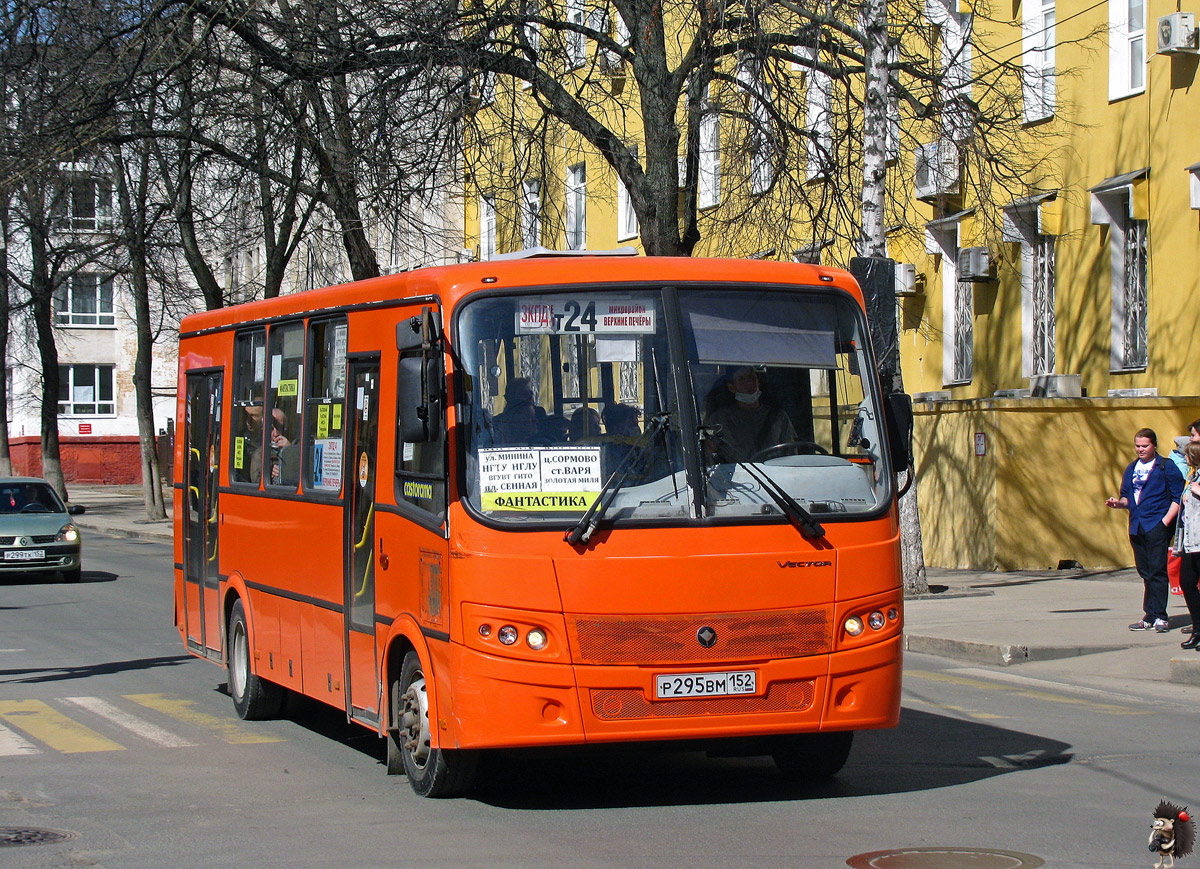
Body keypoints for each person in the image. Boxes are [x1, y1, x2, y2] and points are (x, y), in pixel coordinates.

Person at [1105, 427, 1185, 632]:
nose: (1140, 449)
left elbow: (1178, 498)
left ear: (1154, 445)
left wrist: (1165, 522)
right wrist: (1118, 503)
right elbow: (1127, 497)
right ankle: (1149, 615)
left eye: (1145, 446)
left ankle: (1160, 616)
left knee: (1157, 570)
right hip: (1137, 525)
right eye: (1137, 446)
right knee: (1145, 570)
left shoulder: (1166, 467)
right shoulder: (1132, 468)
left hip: (1157, 524)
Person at [703, 366, 796, 463]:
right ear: (731, 387)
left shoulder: (778, 416)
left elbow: (791, 452)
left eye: (752, 377)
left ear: (758, 382)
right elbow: (710, 454)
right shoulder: (719, 419)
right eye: (742, 379)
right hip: (735, 475)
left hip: (772, 475)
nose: (749, 383)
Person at [1174, 442, 1200, 649]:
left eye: (1187, 455)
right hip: (1190, 541)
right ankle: (1198, 629)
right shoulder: (1192, 477)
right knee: (1187, 583)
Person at [492, 378, 547, 444]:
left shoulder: (540, 415)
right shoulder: (498, 423)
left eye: (531, 393)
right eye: (524, 394)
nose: (530, 397)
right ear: (510, 397)